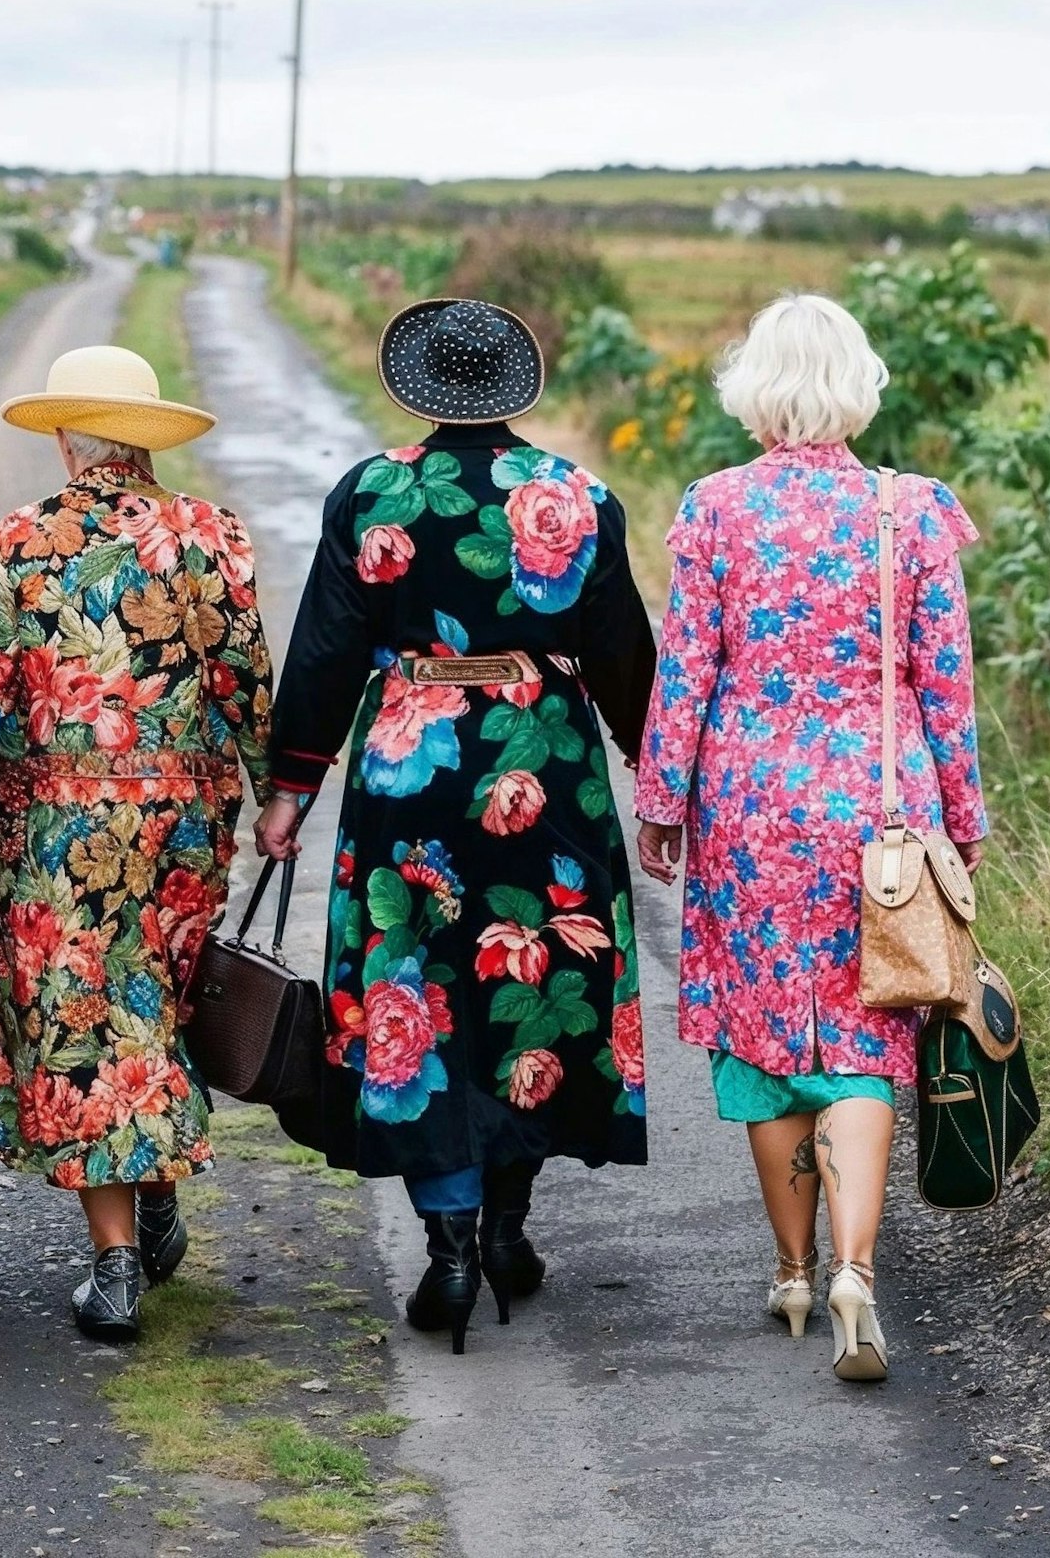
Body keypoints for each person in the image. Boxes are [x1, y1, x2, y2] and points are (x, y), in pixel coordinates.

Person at [257, 299, 658, 1356]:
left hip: (411, 776)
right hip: (547, 770)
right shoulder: (578, 495)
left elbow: (326, 653)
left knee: (418, 984)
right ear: (513, 391)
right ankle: (510, 1226)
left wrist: (292, 784)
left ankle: (450, 1242)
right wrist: (642, 753)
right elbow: (621, 648)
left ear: (420, 388)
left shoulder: (376, 491)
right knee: (526, 982)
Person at [633, 293, 987, 1385]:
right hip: (880, 811)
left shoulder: (716, 507)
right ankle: (855, 1272)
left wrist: (661, 798)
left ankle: (790, 1270)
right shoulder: (913, 510)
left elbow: (685, 667)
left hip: (748, 808)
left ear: (757, 389)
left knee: (766, 1039)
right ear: (857, 383)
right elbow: (947, 685)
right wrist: (962, 823)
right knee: (868, 1036)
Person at [0, 344, 273, 1344]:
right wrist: (278, 793)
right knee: (160, 997)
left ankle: (118, 1260)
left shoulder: (19, 538)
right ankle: (158, 1192)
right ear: (145, 439)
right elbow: (243, 677)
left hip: (53, 829)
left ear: (65, 435)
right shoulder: (210, 533)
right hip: (180, 820)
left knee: (87, 1018)